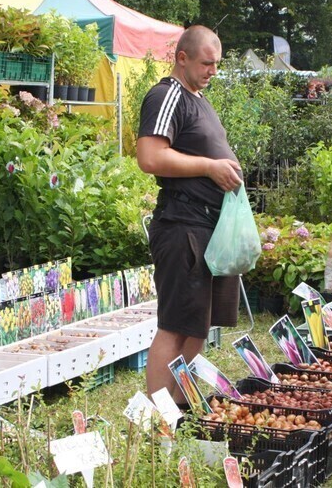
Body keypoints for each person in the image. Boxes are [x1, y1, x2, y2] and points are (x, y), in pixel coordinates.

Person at [137, 25, 242, 404]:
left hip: (209, 229)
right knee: (175, 325)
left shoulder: (200, 99)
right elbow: (149, 157)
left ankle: (177, 407)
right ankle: (157, 416)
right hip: (183, 227)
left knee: (198, 325)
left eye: (217, 64)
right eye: (206, 63)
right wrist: (210, 167)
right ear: (182, 58)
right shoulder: (167, 95)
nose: (213, 70)